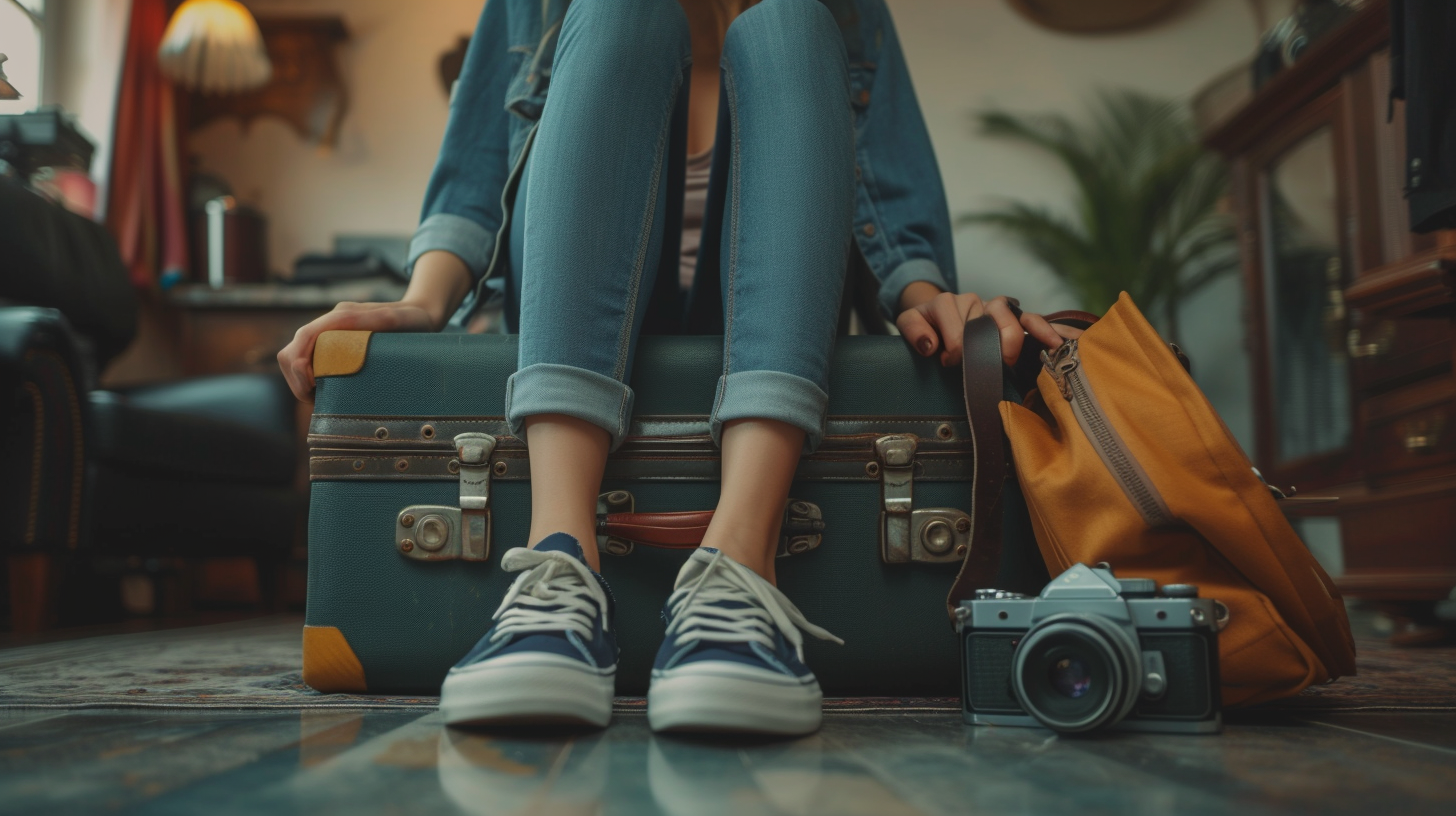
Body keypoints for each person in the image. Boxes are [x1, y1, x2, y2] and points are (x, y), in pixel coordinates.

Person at [278, 0, 1078, 736]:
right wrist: (422, 306)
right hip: (569, 325)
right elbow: (478, 168)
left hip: (771, 332)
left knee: (791, 25)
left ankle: (740, 568)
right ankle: (557, 575)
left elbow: (887, 199)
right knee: (621, 10)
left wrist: (929, 295)